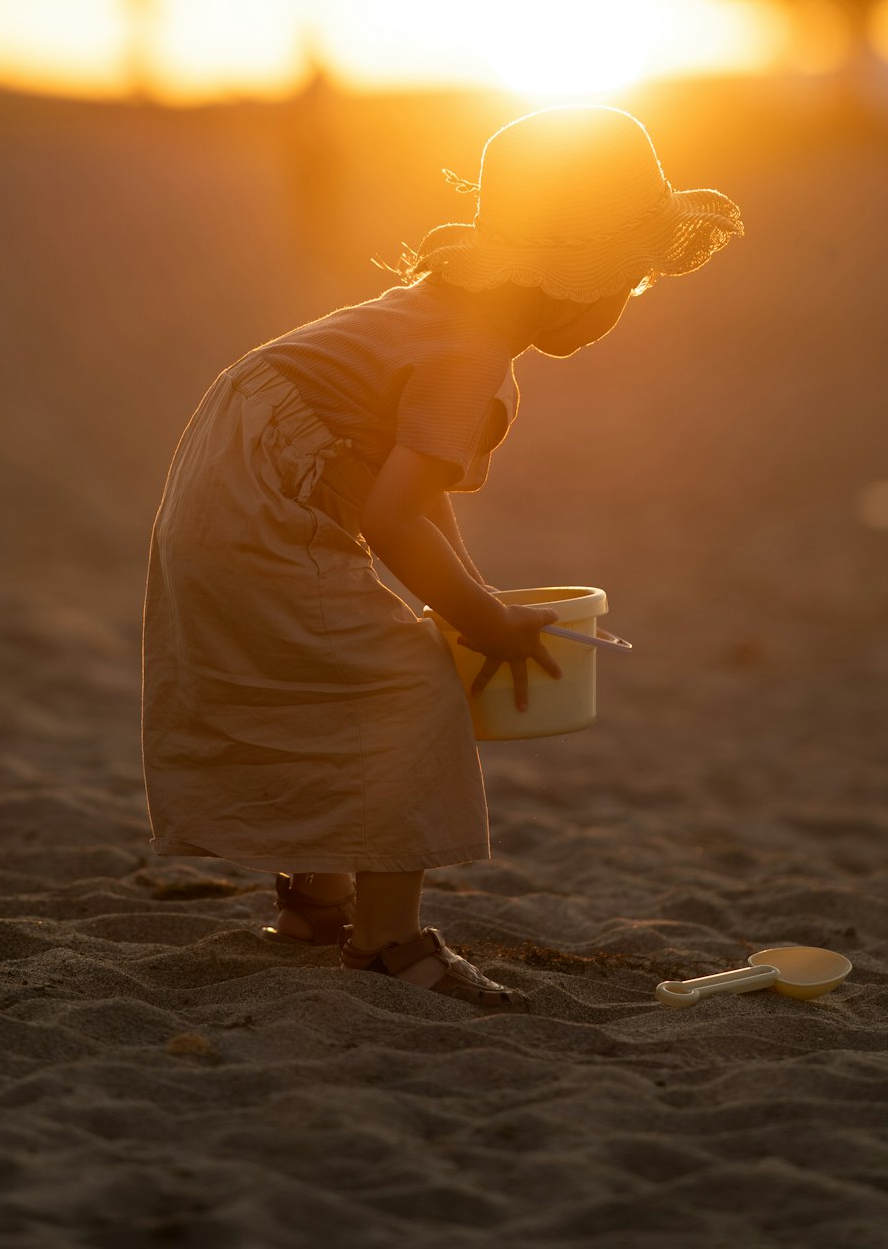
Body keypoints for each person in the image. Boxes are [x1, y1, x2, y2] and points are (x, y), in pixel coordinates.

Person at [142, 104, 742, 1010]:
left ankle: (316, 900)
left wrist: (466, 593)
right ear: (576, 284)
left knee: (322, 677)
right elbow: (390, 520)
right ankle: (387, 943)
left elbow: (404, 500)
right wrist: (479, 621)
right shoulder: (470, 363)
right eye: (629, 283)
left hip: (222, 483)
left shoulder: (441, 315)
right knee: (405, 690)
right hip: (265, 507)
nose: (625, 305)